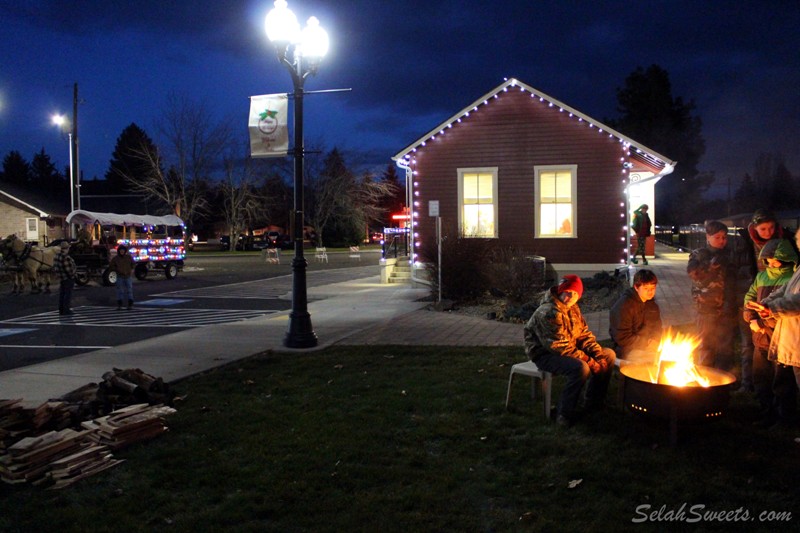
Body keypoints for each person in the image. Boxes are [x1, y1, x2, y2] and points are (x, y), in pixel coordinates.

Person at [524, 274, 616, 426]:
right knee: (580, 368)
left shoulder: (572, 308)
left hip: (568, 348)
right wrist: (589, 361)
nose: (569, 297)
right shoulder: (548, 312)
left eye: (574, 294)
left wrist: (598, 355)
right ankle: (564, 413)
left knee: (608, 355)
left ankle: (593, 403)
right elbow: (559, 346)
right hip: (545, 354)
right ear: (561, 291)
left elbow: (584, 335)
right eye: (567, 292)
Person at [743, 238, 798, 427]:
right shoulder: (764, 276)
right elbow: (763, 295)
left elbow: (792, 303)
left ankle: (783, 416)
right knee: (761, 376)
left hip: (781, 336)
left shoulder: (791, 274)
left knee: (781, 380)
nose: (772, 263)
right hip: (762, 337)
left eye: (776, 260)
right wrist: (751, 312)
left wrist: (765, 317)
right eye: (769, 260)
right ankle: (766, 410)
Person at [687, 220, 737, 370]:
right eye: (717, 237)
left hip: (727, 307)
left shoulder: (730, 254)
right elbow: (694, 275)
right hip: (706, 308)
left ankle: (723, 380)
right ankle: (704, 377)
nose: (722, 240)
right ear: (708, 237)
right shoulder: (699, 254)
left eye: (724, 237)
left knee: (726, 346)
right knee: (706, 344)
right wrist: (711, 267)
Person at [609, 269, 663, 365]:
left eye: (653, 288)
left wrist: (655, 339)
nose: (650, 292)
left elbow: (657, 327)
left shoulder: (652, 305)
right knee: (651, 361)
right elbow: (622, 337)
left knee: (666, 357)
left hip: (648, 345)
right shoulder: (624, 306)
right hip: (627, 348)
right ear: (636, 287)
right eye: (646, 288)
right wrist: (646, 343)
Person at [52, 241, 77, 315]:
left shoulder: (57, 256)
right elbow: (68, 270)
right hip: (68, 278)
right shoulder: (66, 257)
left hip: (61, 277)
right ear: (66, 248)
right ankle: (66, 310)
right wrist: (73, 275)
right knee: (67, 295)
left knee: (62, 294)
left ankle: (61, 309)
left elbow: (55, 267)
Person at [109, 244, 136, 310]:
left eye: (123, 250)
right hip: (120, 276)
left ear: (125, 251)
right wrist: (117, 270)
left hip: (128, 276)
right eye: (121, 250)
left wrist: (132, 270)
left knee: (129, 290)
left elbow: (133, 264)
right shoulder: (116, 258)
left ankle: (130, 304)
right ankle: (120, 305)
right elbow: (111, 266)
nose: (122, 251)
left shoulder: (128, 257)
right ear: (119, 251)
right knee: (120, 291)